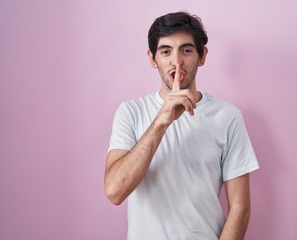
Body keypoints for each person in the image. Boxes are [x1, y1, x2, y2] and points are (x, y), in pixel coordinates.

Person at [104, 11, 259, 240]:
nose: (176, 62)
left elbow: (240, 207)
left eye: (186, 50)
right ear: (152, 58)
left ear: (202, 56)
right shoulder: (130, 112)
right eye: (166, 51)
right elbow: (115, 192)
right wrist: (161, 121)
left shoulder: (228, 117)